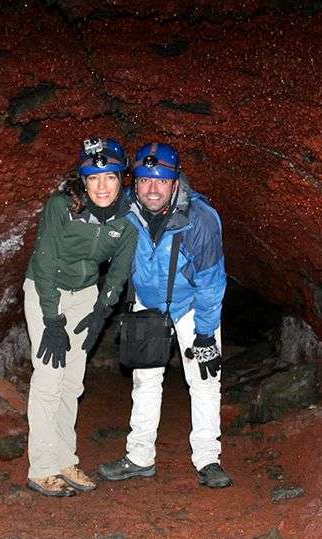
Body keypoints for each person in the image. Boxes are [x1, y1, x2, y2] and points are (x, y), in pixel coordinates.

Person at [98, 142, 232, 488]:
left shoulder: (199, 220)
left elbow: (211, 281)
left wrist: (204, 334)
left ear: (175, 182)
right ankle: (140, 456)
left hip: (190, 306)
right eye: (144, 181)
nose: (152, 189)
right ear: (135, 183)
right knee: (145, 381)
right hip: (148, 303)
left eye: (161, 181)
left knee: (204, 380)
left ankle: (208, 459)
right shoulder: (125, 208)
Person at [23, 137, 139, 497]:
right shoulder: (62, 206)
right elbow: (44, 263)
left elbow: (120, 268)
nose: (101, 186)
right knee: (48, 378)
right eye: (93, 178)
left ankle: (64, 459)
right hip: (47, 290)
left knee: (72, 382)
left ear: (122, 179)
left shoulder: (128, 218)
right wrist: (52, 320)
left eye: (110, 177)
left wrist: (103, 308)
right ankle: (41, 467)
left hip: (86, 294)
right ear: (83, 181)